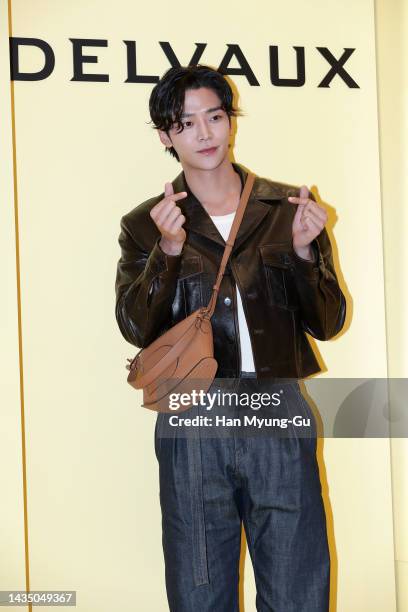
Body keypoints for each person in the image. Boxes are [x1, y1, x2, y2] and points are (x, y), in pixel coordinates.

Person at [115, 64, 346, 612]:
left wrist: (307, 254)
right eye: (186, 122)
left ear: (229, 119)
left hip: (276, 401)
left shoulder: (287, 208)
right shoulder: (147, 224)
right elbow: (132, 325)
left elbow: (329, 321)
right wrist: (166, 256)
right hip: (192, 411)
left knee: (296, 579)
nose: (204, 133)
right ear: (166, 136)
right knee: (200, 583)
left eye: (214, 116)